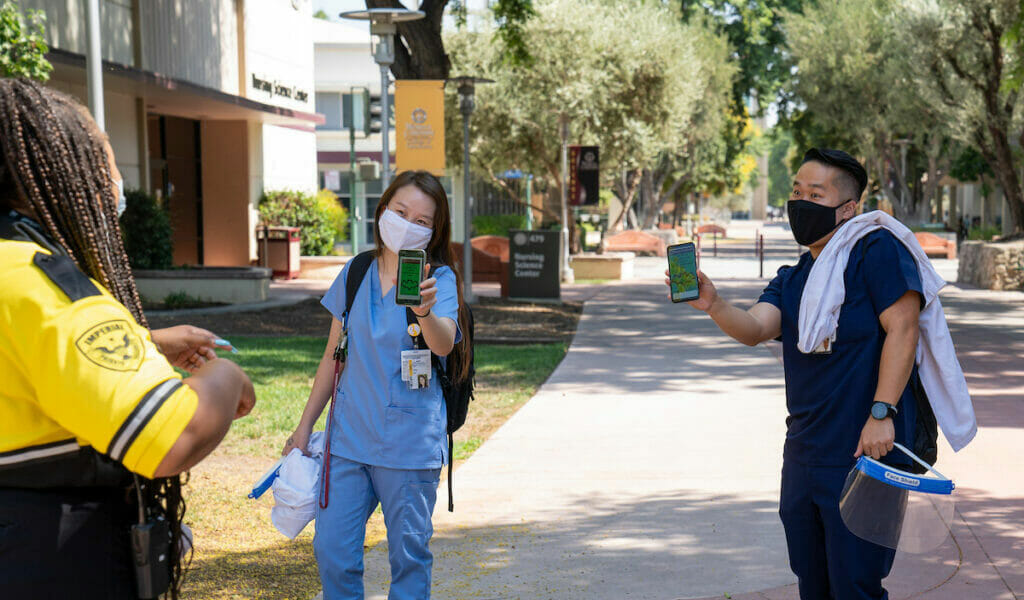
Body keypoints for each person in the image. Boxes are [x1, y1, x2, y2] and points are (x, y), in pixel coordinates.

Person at [0, 78, 256, 598]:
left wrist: (142, 342)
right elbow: (171, 436)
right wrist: (226, 378)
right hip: (51, 563)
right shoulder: (43, 285)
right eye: (105, 158)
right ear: (60, 173)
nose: (115, 182)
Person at [670, 149, 923, 599]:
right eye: (796, 192)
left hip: (866, 453)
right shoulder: (795, 277)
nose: (800, 203)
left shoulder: (877, 251)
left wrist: (882, 411)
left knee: (856, 586)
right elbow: (755, 328)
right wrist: (714, 304)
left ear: (848, 208)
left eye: (815, 194)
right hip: (805, 454)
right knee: (813, 582)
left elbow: (904, 328)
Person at [283, 170, 471, 600]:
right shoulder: (355, 272)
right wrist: (303, 426)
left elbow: (442, 345)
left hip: (408, 446)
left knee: (408, 560)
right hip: (348, 441)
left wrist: (424, 312)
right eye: (401, 212)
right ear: (382, 210)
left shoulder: (437, 280)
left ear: (434, 232)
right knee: (333, 553)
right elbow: (333, 355)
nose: (409, 224)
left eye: (423, 221)